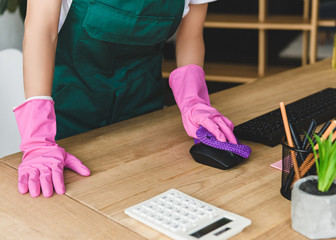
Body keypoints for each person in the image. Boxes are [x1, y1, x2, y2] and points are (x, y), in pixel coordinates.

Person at [14, 0, 237, 198]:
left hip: (142, 108)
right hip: (71, 109)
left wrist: (194, 101)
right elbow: (41, 30)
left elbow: (191, 35)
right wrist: (38, 139)